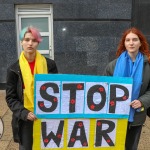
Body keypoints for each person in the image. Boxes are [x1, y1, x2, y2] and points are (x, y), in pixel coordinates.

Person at [6, 26, 58, 150]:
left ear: (38, 43)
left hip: (47, 115)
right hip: (25, 118)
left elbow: (57, 90)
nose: (30, 43)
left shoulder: (50, 65)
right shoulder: (13, 69)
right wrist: (24, 113)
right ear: (21, 42)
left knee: (48, 146)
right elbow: (10, 98)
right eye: (27, 40)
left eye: (34, 40)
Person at [103, 27, 150, 150]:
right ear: (124, 43)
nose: (131, 43)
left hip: (137, 115)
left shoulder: (148, 66)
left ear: (140, 42)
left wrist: (142, 101)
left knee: (131, 147)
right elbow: (103, 89)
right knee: (114, 146)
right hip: (115, 115)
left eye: (135, 39)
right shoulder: (112, 66)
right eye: (128, 40)